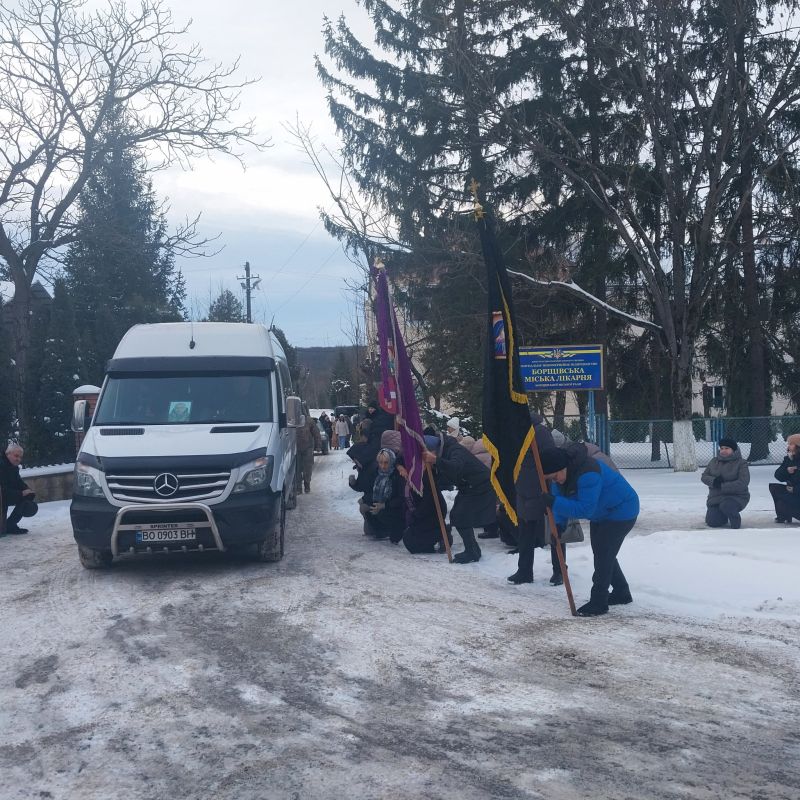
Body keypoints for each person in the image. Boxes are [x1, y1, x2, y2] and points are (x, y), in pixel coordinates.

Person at [540, 445, 639, 617]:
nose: (555, 481)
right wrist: (559, 525)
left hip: (622, 510)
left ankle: (599, 602)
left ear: (563, 467)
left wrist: (553, 502)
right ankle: (622, 592)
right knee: (602, 553)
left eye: (555, 477)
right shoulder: (560, 477)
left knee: (603, 555)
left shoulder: (588, 473)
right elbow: (560, 501)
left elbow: (584, 509)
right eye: (551, 479)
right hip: (601, 514)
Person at [422, 432, 495, 564]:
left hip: (479, 486)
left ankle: (471, 551)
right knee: (458, 516)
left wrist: (436, 461)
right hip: (468, 486)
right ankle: (473, 550)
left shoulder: (454, 450)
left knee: (461, 516)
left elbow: (455, 467)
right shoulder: (445, 451)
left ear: (434, 449)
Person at [508, 413, 556, 585]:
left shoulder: (540, 432)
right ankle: (524, 571)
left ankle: (559, 571)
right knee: (525, 535)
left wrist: (550, 488)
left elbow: (550, 458)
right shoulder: (516, 435)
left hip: (541, 490)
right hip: (523, 491)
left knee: (555, 532)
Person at [700, 437, 750, 529]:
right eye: (722, 448)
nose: (723, 451)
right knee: (713, 522)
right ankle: (722, 516)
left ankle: (735, 523)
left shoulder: (741, 463)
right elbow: (704, 477)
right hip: (716, 498)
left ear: (733, 450)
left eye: (727, 448)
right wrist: (714, 481)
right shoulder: (714, 461)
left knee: (727, 506)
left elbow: (743, 482)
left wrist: (722, 486)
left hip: (736, 497)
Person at [363, 447, 407, 541]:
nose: (383, 466)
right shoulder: (378, 473)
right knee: (368, 510)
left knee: (383, 515)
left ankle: (395, 530)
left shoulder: (397, 475)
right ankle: (383, 530)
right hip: (383, 507)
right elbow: (372, 491)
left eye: (386, 462)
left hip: (397, 511)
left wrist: (384, 505)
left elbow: (402, 498)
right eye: (380, 462)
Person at [1, 444, 38, 536]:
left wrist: (28, 490)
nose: (18, 459)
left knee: (28, 503)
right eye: (16, 456)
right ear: (7, 454)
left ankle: (10, 525)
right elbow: (2, 491)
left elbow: (19, 483)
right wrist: (21, 493)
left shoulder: (13, 468)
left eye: (20, 457)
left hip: (7, 495)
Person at [770, 433, 800, 523]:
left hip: (797, 492)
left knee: (782, 503)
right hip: (793, 491)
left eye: (791, 444)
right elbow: (778, 475)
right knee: (774, 488)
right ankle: (783, 516)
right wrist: (787, 470)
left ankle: (788, 512)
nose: (788, 446)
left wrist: (794, 489)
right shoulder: (789, 458)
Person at [295, 415, 322, 493]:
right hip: (295, 448)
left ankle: (307, 485)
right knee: (297, 469)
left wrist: (318, 445)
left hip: (308, 448)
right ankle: (298, 487)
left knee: (307, 468)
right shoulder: (291, 420)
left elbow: (316, 433)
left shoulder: (309, 421)